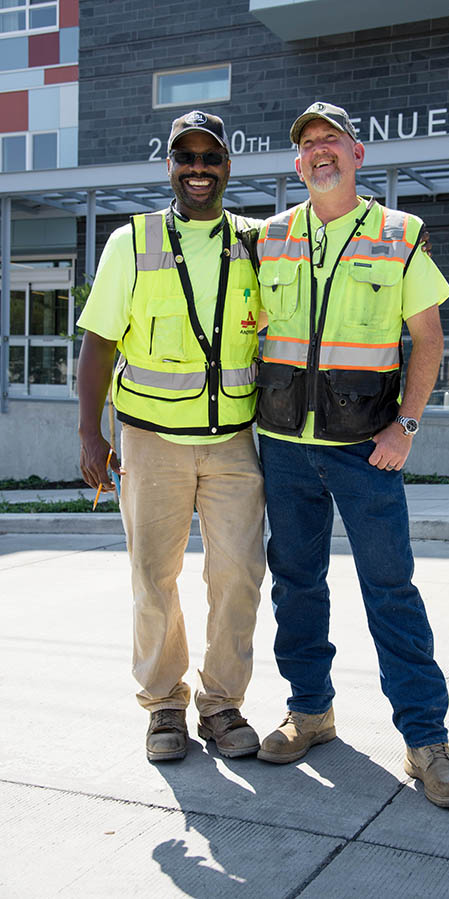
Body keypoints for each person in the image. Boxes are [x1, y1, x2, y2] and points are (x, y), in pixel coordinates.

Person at [254, 101, 449, 808]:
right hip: (285, 446)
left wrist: (404, 426)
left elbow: (428, 339)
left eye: (331, 142)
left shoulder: (399, 233)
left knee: (391, 590)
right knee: (295, 583)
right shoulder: (268, 238)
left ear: (357, 155)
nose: (320, 153)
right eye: (308, 145)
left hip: (365, 449)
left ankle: (426, 740)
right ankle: (309, 711)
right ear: (297, 164)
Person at [77, 111, 266, 763]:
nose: (197, 168)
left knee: (239, 571)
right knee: (153, 575)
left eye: (209, 157)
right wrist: (89, 433)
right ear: (168, 166)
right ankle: (163, 704)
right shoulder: (130, 243)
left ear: (227, 167)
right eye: (184, 157)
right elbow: (99, 344)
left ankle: (222, 703)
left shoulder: (255, 242)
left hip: (233, 441)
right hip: (150, 439)